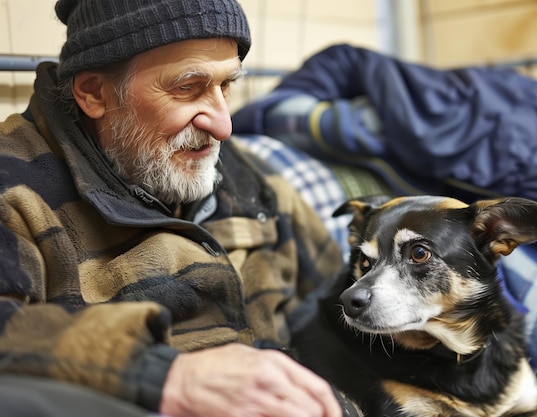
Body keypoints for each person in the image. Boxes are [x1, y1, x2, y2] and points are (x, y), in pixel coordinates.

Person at [0, 1, 352, 416]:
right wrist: (165, 375)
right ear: (94, 92)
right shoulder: (15, 185)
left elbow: (341, 303)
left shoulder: (247, 173)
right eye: (188, 87)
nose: (224, 126)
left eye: (226, 86)